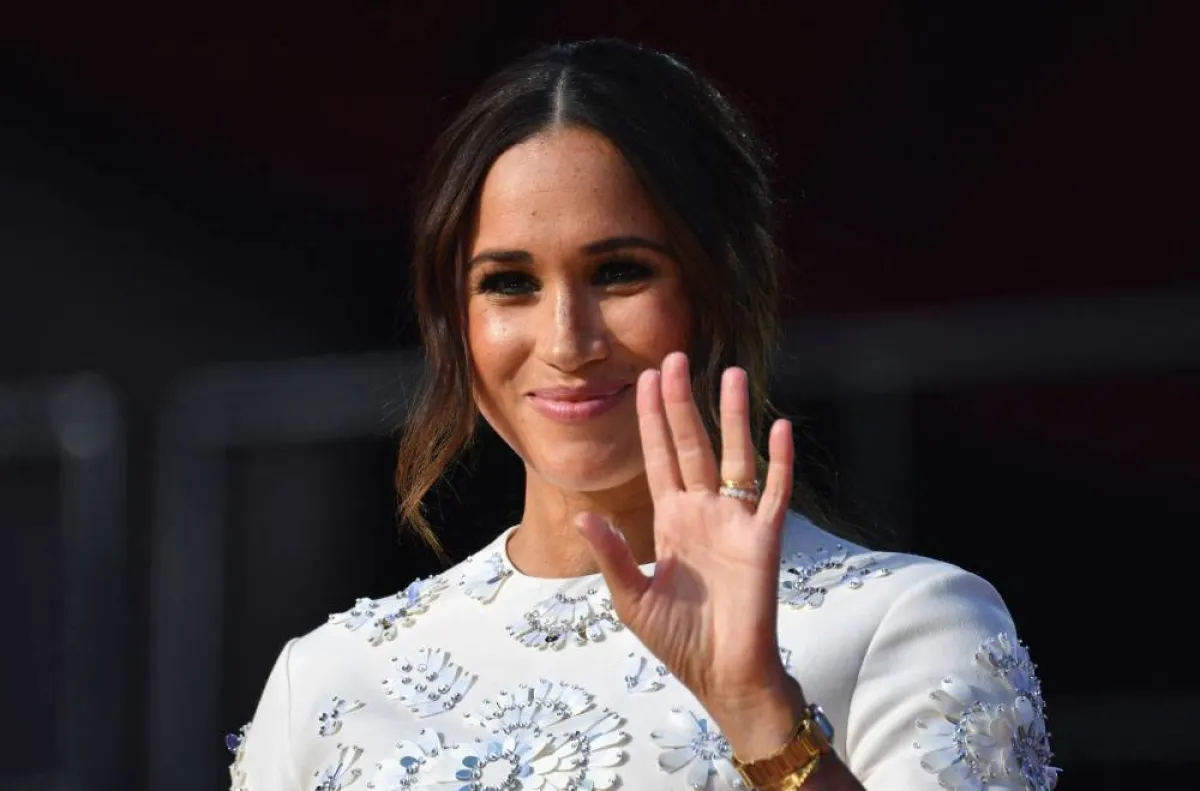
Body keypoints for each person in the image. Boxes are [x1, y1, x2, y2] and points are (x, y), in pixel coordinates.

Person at [229, 38, 1058, 791]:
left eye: (620, 273)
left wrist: (757, 707)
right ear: (453, 323)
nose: (567, 341)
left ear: (718, 294)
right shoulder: (333, 679)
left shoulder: (902, 627)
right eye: (509, 283)